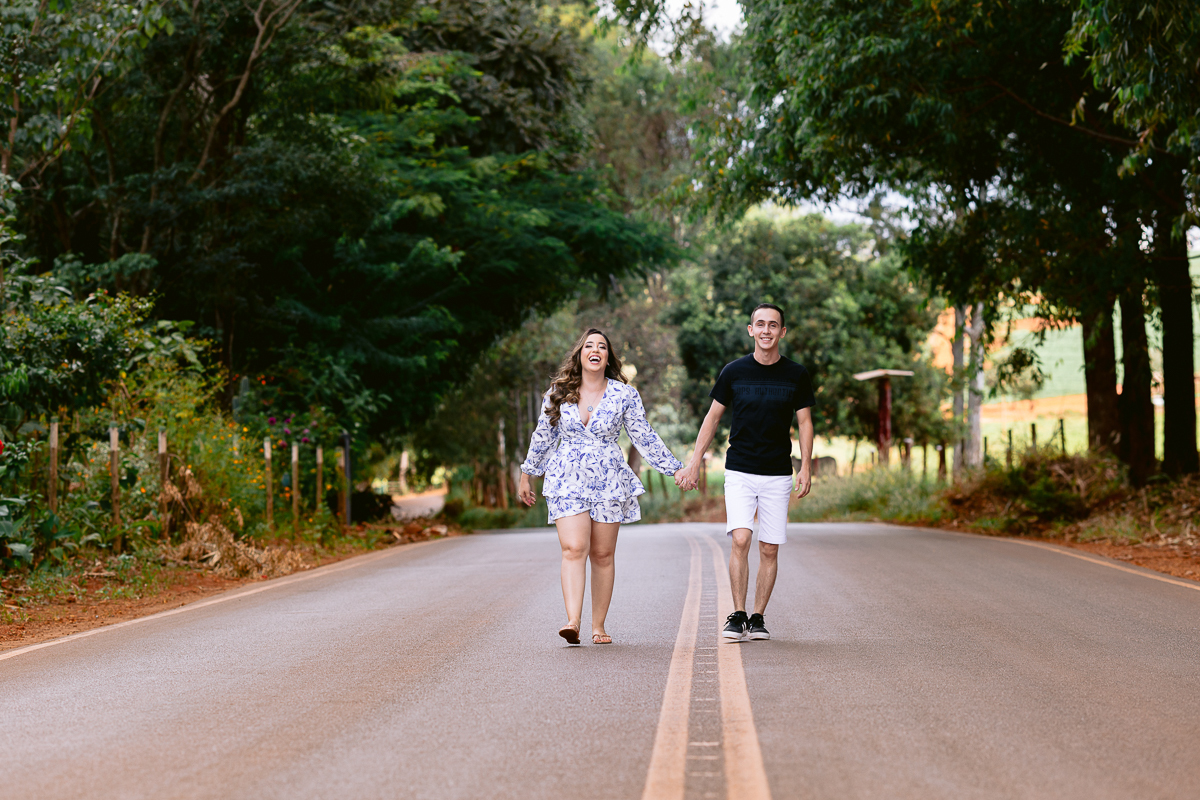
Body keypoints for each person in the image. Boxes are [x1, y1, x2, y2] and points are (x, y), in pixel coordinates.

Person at [519, 328, 689, 645]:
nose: (595, 350)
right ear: (580, 354)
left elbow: (643, 436)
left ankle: (598, 626)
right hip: (567, 477)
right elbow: (543, 435)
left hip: (609, 478)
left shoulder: (624, 395)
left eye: (602, 346)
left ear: (608, 357)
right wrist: (527, 473)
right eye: (589, 345)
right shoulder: (558, 392)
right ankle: (573, 621)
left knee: (602, 554)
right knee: (574, 548)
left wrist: (674, 468)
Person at [677, 303, 815, 641]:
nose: (766, 330)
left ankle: (758, 617)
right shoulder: (734, 372)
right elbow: (712, 418)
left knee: (769, 548)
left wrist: (806, 466)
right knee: (741, 538)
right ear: (751, 330)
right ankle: (738, 614)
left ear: (782, 332)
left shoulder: (796, 374)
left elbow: (805, 422)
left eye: (773, 325)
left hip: (778, 473)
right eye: (760, 324)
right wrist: (694, 461)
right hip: (739, 469)